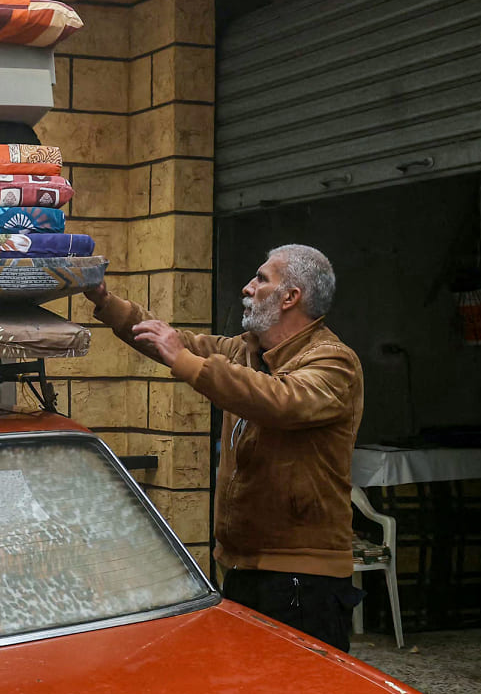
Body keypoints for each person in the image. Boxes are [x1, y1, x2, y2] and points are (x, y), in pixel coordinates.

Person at [84, 244, 365, 651]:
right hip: (242, 566)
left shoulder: (334, 362)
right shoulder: (246, 352)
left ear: (291, 297)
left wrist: (184, 359)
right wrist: (105, 302)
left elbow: (279, 400)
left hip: (304, 579)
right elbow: (168, 341)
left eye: (261, 279)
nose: (248, 288)